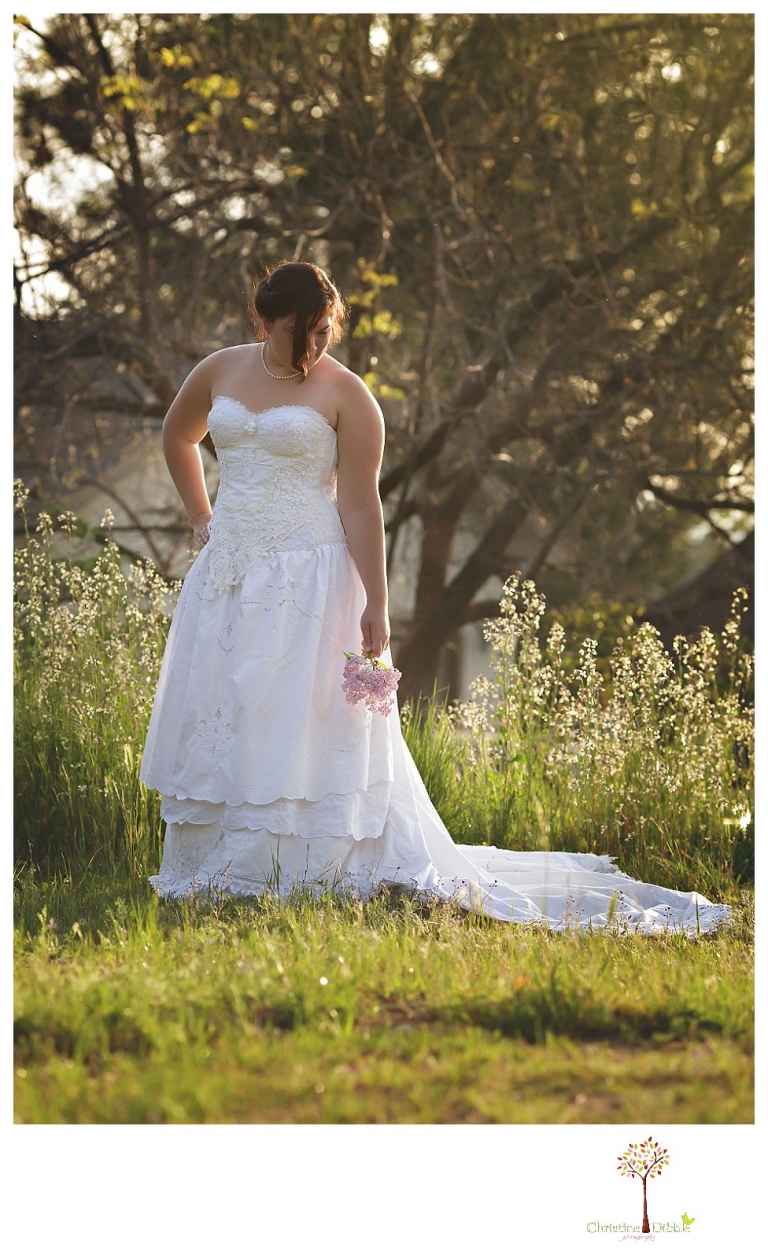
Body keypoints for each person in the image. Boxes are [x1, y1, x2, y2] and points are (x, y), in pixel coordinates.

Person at [140, 260, 728, 933]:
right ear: (264, 320)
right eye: (301, 332)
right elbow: (178, 434)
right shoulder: (219, 369)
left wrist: (376, 602)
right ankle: (211, 864)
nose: (314, 346)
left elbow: (361, 505)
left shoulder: (348, 393)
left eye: (325, 331)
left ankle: (295, 866)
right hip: (230, 572)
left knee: (293, 715)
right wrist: (202, 517)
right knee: (226, 707)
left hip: (310, 577)